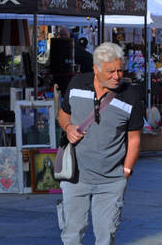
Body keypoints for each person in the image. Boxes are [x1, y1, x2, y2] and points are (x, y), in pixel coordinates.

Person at [57, 42, 142, 245]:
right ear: (96, 69)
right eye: (111, 71)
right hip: (75, 178)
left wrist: (126, 171)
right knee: (71, 235)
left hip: (111, 181)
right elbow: (63, 114)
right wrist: (68, 127)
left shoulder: (131, 96)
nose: (117, 76)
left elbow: (135, 138)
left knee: (106, 236)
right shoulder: (77, 84)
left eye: (120, 70)